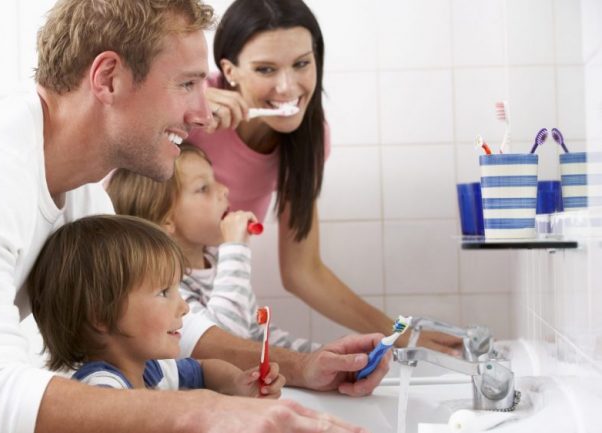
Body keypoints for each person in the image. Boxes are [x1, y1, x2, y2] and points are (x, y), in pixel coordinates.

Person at [0, 0, 384, 432]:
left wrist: (303, 367)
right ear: (109, 78)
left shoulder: (77, 190)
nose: (201, 112)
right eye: (187, 84)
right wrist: (206, 414)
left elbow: (170, 318)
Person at [189, 0, 461, 354]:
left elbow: (303, 271)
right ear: (230, 70)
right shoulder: (192, 105)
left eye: (301, 63)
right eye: (266, 69)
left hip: (215, 298)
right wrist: (177, 101)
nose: (287, 87)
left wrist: (400, 334)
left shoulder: (309, 138)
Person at [27, 214, 285, 397]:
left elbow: (203, 368)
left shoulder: (150, 369)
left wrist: (239, 383)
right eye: (164, 292)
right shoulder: (101, 388)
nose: (184, 307)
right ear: (101, 315)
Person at [107, 144, 318, 353]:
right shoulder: (165, 285)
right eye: (203, 188)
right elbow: (228, 343)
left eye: (214, 180)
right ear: (167, 220)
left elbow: (257, 335)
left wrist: (320, 355)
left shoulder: (217, 263)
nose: (223, 190)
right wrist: (235, 248)